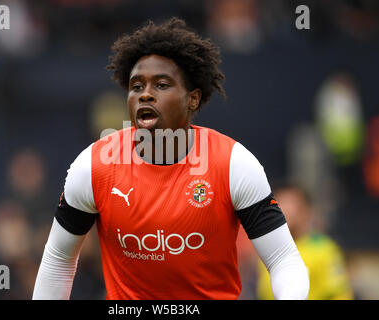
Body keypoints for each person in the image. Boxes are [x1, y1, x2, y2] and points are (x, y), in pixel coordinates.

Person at [32, 17, 309, 300]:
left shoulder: (233, 164)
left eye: (161, 85)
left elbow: (283, 260)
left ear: (193, 99)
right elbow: (58, 262)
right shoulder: (93, 167)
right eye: (136, 86)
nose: (146, 95)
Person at [256, 183, 353, 300]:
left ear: (306, 210)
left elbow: (339, 294)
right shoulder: (266, 250)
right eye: (279, 204)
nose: (285, 209)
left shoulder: (324, 249)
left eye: (291, 204)